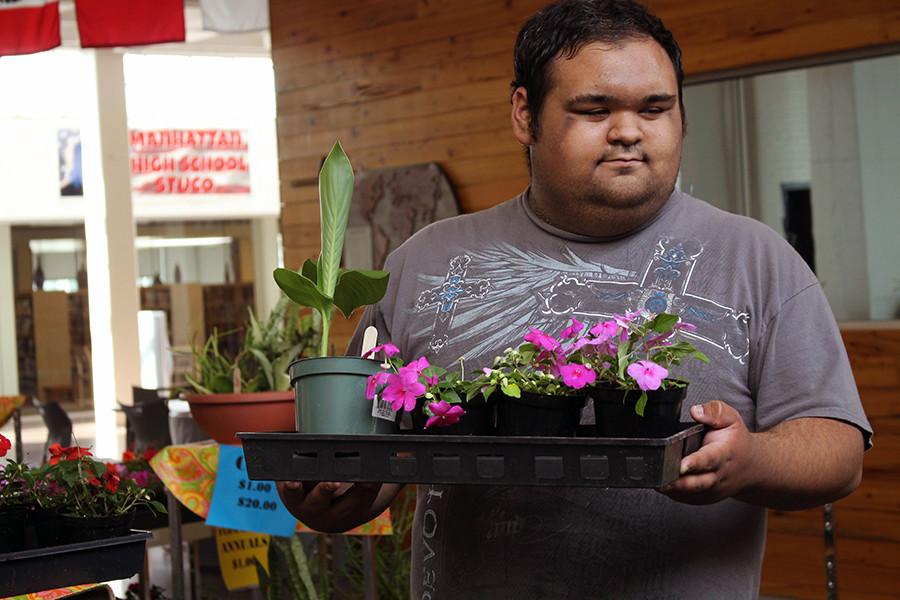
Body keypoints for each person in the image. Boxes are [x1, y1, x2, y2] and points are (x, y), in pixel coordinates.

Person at [278, 1, 872, 597]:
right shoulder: (426, 263)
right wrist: (330, 492)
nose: (629, 131)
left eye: (655, 109)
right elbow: (368, 461)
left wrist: (751, 462)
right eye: (594, 109)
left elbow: (838, 449)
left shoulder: (755, 260)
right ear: (524, 114)